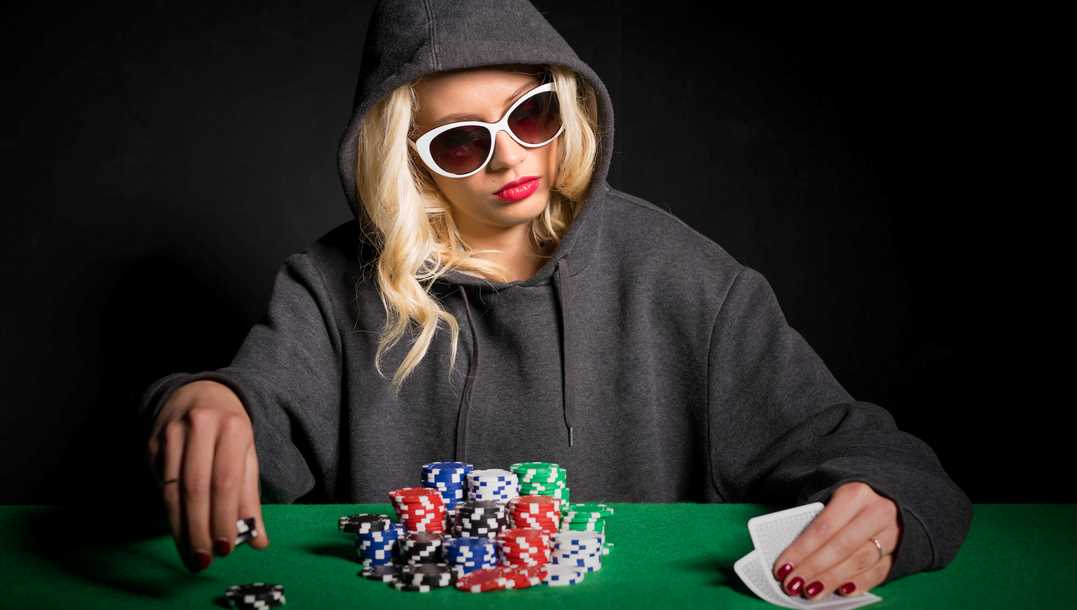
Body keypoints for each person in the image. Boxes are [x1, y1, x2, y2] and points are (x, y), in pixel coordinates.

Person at [139, 0, 972, 600]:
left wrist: (893, 501)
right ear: (409, 159)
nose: (508, 160)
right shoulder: (327, 288)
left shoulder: (678, 272)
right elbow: (247, 441)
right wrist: (203, 401)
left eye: (530, 114)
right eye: (462, 140)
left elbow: (880, 457)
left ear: (564, 99)